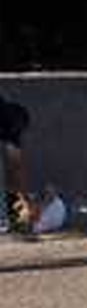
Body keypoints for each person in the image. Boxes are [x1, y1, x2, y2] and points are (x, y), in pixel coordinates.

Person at [0, 94, 38, 240]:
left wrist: (24, 199)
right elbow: (15, 168)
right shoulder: (10, 124)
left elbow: (15, 167)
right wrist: (26, 201)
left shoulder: (9, 120)